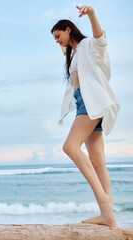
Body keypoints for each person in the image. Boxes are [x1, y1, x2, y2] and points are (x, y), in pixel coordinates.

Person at [51, 6, 121, 229]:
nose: (56, 41)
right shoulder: (74, 53)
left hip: (92, 104)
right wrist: (67, 49)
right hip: (86, 103)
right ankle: (108, 217)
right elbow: (73, 64)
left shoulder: (89, 45)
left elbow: (100, 40)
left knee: (70, 147)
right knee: (98, 163)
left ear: (69, 30)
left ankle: (102, 198)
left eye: (58, 36)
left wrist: (91, 14)